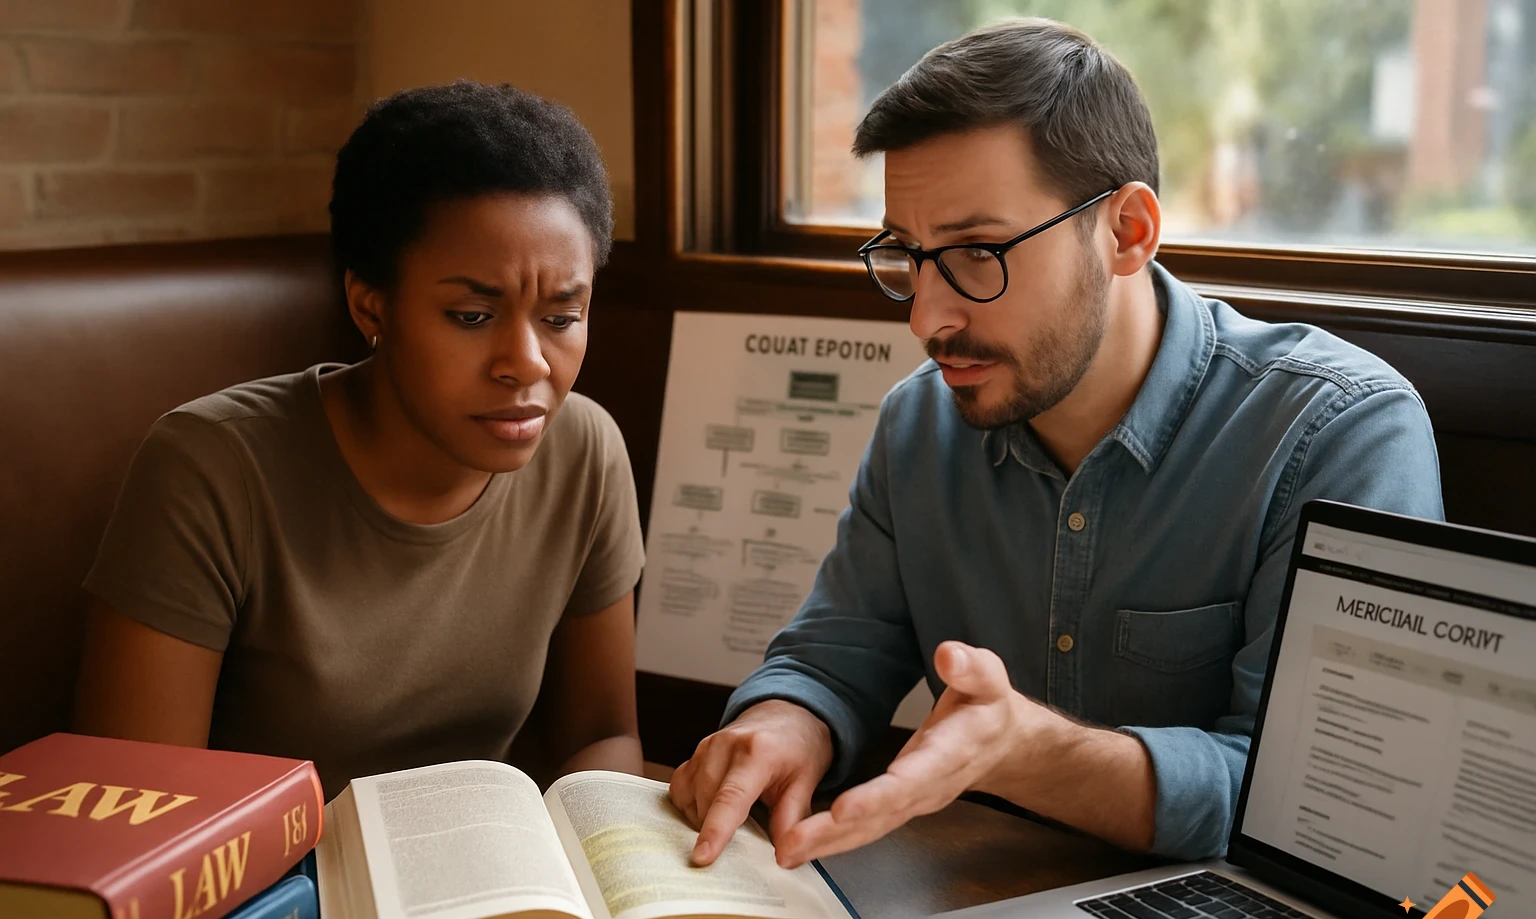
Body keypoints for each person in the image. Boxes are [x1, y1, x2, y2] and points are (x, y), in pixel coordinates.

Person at [670, 19, 1443, 866]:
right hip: (971, 907)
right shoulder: (917, 426)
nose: (928, 317)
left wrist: (1031, 756)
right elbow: (832, 660)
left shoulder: (1339, 432)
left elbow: (1325, 802)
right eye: (906, 255)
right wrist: (785, 724)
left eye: (976, 252)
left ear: (1127, 232)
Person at [74, 82, 645, 798]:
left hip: (486, 880)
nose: (527, 363)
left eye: (562, 319)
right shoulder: (212, 467)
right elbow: (134, 804)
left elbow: (603, 736)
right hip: (262, 895)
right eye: (471, 316)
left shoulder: (584, 452)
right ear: (369, 306)